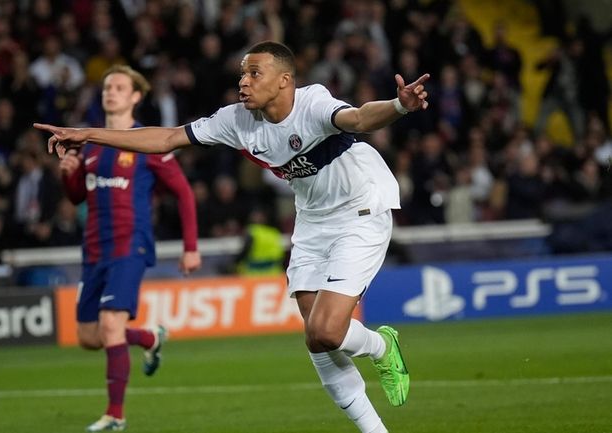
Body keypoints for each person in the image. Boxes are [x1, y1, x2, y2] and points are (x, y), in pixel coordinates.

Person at [36, 42, 429, 433]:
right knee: (317, 341)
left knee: (326, 331)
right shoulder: (237, 120)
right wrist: (88, 134)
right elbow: (168, 139)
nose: (243, 81)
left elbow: (359, 119)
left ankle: (381, 346)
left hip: (361, 207)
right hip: (312, 220)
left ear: (284, 81)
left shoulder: (312, 104)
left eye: (254, 73)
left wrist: (398, 106)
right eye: (242, 73)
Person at [58, 65, 202, 432]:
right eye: (107, 87)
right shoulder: (90, 143)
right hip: (93, 249)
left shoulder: (147, 141)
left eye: (119, 87)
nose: (111, 92)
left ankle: (115, 416)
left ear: (136, 97)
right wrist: (69, 172)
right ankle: (150, 338)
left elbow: (183, 192)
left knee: (110, 326)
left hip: (130, 244)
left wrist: (190, 247)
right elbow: (78, 196)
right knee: (90, 338)